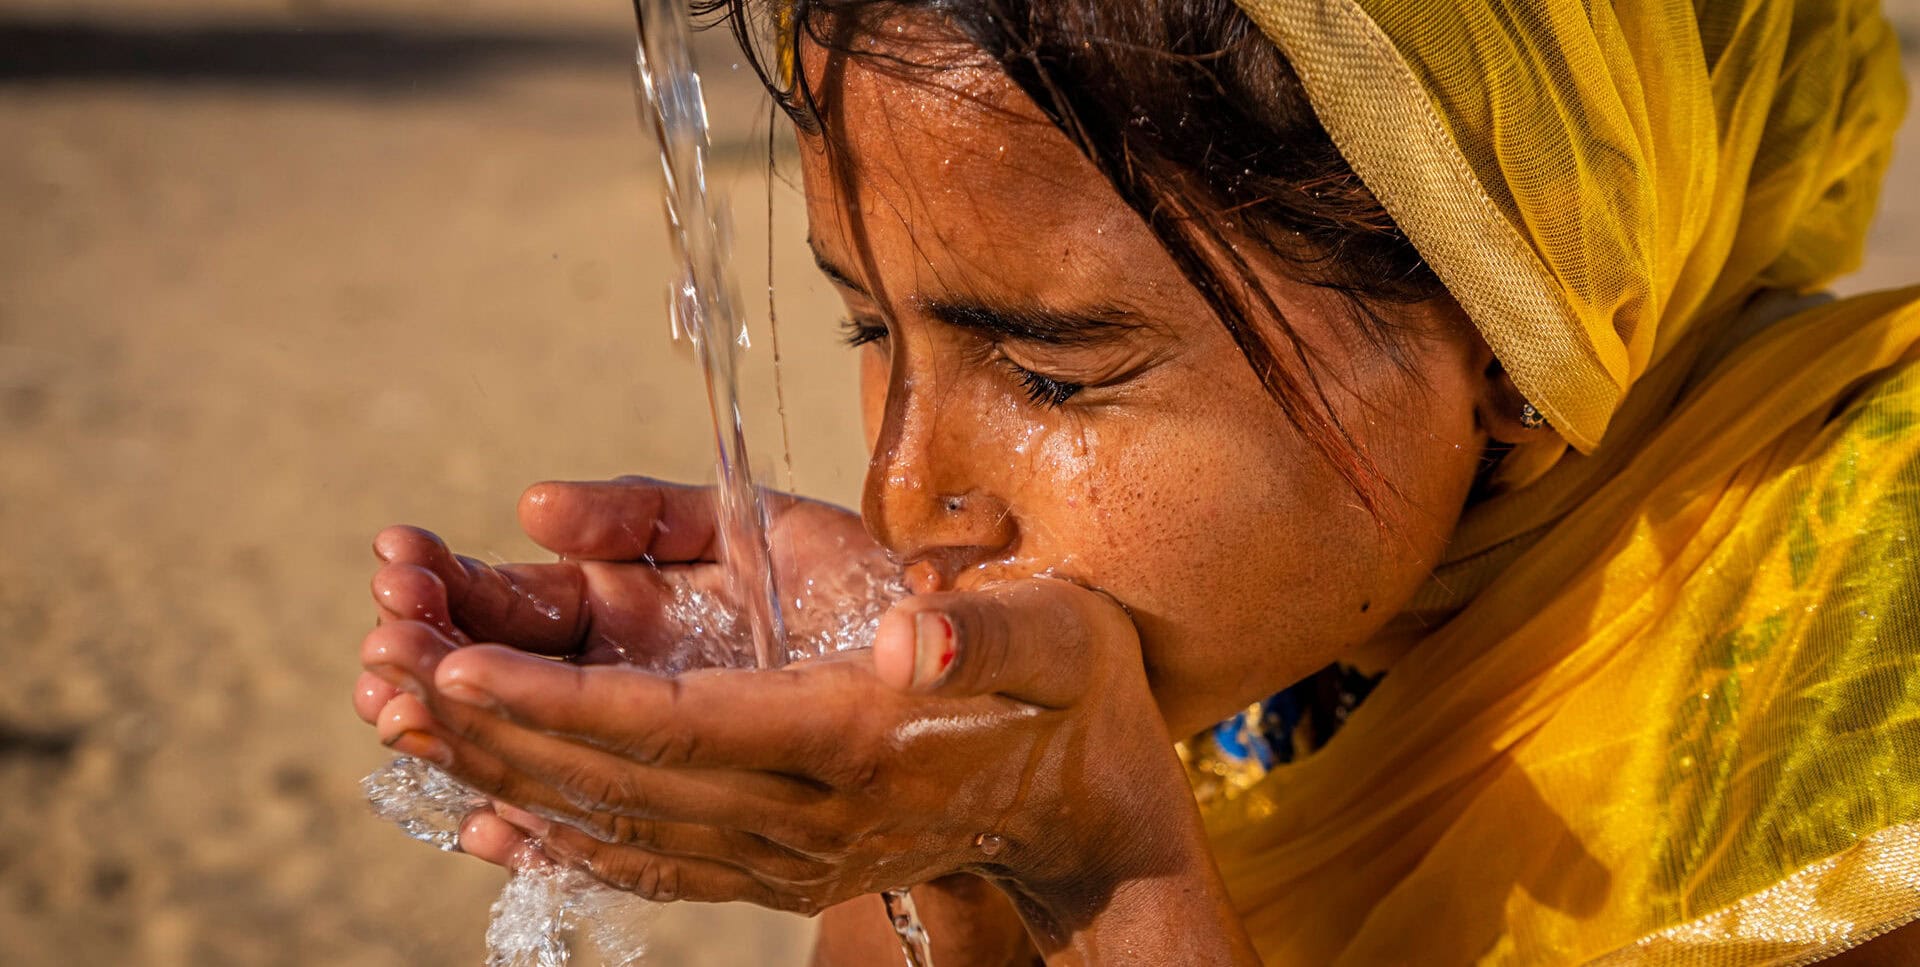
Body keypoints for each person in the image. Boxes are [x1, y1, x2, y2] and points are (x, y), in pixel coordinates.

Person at [353, 0, 1920, 962]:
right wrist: (956, 849)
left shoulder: (1860, 647)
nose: (907, 499)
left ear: (1512, 336)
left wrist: (1106, 859)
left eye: (1051, 370)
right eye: (866, 323)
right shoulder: (1281, 597)